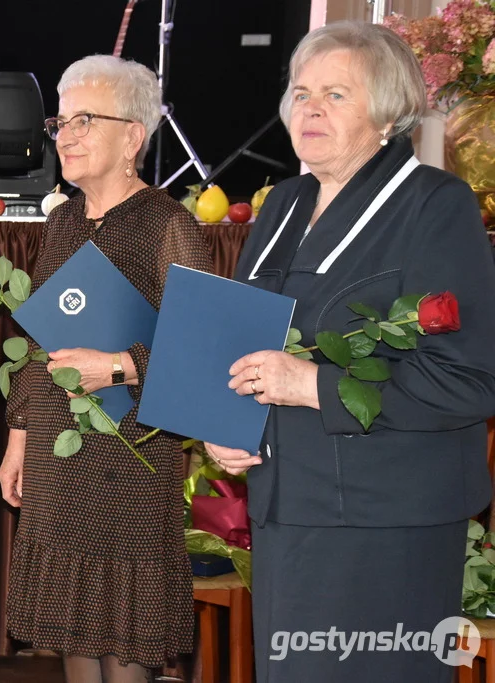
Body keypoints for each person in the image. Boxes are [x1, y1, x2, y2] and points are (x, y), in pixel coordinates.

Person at [209, 21, 495, 683]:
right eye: (301, 92)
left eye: (335, 94)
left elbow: (470, 379)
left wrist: (311, 385)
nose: (308, 108)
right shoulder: (281, 205)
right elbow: (248, 341)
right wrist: (229, 426)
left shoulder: (435, 206)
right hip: (288, 507)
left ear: (389, 113)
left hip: (387, 521)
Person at [0, 55, 211, 682]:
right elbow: (38, 344)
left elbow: (200, 350)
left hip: (131, 462)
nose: (64, 134)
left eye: (84, 120)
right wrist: (19, 441)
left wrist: (118, 366)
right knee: (75, 637)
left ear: (134, 138)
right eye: (61, 121)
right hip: (58, 461)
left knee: (121, 646)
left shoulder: (167, 225)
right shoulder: (62, 221)